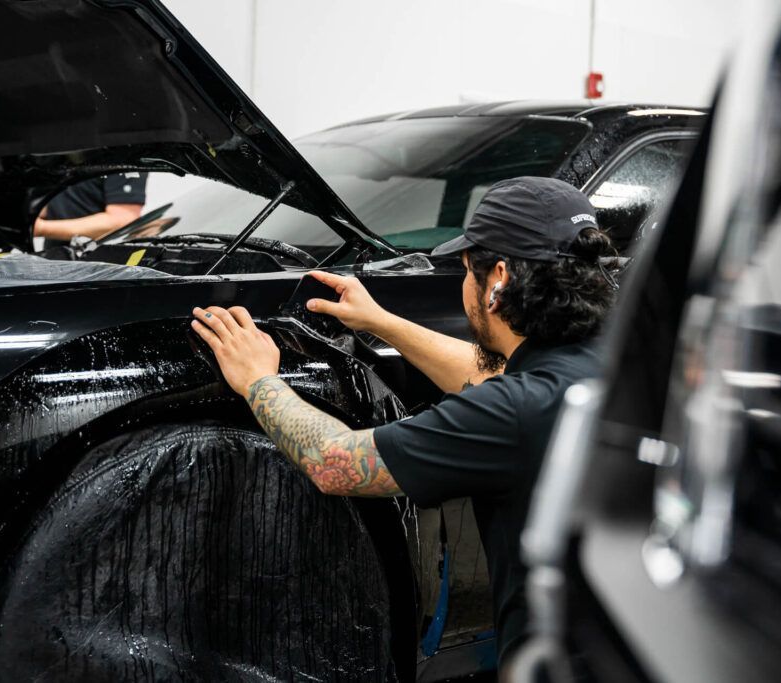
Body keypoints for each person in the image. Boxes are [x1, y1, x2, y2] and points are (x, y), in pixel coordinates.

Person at [189, 176, 617, 668]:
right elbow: (487, 376)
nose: (464, 286)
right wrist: (378, 321)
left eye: (465, 272)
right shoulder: (621, 362)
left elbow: (335, 463)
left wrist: (257, 381)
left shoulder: (517, 410)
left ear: (498, 278)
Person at [34, 172, 149, 249]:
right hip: (55, 257)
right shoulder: (66, 151)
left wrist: (42, 228)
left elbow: (122, 221)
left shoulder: (120, 152)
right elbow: (67, 198)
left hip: (98, 264)